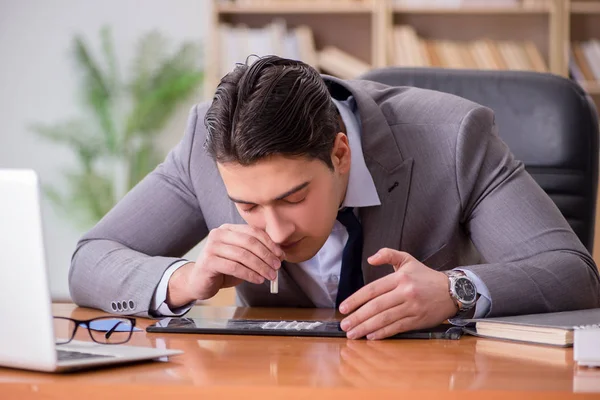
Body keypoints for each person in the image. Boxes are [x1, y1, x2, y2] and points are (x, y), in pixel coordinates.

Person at [69, 56, 600, 340]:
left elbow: (574, 272)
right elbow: (89, 260)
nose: (274, 231)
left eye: (293, 196)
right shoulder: (203, 151)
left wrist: (455, 291)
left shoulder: (455, 138)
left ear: (340, 153)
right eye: (249, 207)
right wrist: (183, 279)